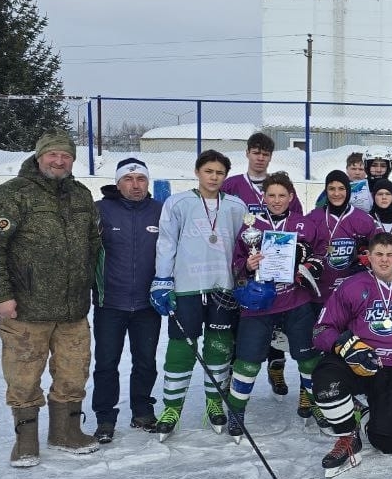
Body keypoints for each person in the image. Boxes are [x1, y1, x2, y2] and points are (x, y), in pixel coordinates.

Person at [0, 132, 101, 466]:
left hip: (73, 309)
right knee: (23, 377)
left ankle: (65, 432)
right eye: (53, 155)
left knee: (74, 373)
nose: (59, 162)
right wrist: (0, 296)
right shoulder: (14, 194)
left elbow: (93, 245)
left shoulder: (81, 195)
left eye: (66, 156)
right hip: (26, 309)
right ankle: (26, 441)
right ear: (39, 156)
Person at [310, 232, 392, 477]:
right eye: (379, 255)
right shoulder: (352, 286)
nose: (384, 260)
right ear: (368, 257)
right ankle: (348, 435)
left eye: (389, 255)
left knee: (388, 444)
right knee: (326, 384)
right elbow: (321, 330)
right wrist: (345, 345)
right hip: (358, 363)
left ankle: (368, 412)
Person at [150, 149, 248, 441]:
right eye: (209, 171)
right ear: (197, 172)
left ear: (225, 176)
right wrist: (162, 280)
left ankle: (214, 402)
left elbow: (245, 246)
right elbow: (166, 243)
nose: (214, 177)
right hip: (187, 287)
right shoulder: (177, 202)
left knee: (219, 348)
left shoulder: (236, 205)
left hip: (223, 288)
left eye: (219, 172)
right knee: (181, 348)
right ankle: (171, 408)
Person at [227, 172, 326, 443]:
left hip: (296, 301)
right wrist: (247, 266)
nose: (277, 200)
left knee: (307, 358)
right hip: (260, 304)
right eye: (271, 195)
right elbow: (236, 262)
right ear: (263, 197)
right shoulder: (251, 227)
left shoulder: (303, 225)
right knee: (247, 361)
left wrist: (310, 265)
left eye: (282, 195)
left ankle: (318, 405)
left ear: (291, 197)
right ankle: (236, 411)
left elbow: (321, 252)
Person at [221, 132, 302, 400]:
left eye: (265, 154)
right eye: (256, 152)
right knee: (244, 325)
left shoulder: (281, 186)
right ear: (247, 153)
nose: (260, 158)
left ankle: (276, 367)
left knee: (279, 318)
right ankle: (235, 373)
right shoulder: (232, 185)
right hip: (245, 264)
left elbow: (297, 224)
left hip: (277, 269)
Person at [91, 157, 164, 442]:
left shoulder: (161, 211)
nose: (135, 185)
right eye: (129, 180)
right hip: (110, 303)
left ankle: (142, 411)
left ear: (148, 183)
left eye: (141, 179)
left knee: (145, 360)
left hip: (148, 305)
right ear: (118, 183)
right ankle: (105, 418)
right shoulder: (100, 210)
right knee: (106, 362)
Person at [301, 169, 378, 420]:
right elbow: (300, 245)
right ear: (326, 190)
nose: (336, 193)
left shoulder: (362, 219)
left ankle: (345, 390)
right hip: (317, 292)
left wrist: (367, 256)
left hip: (348, 294)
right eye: (332, 188)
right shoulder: (313, 217)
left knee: (345, 342)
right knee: (317, 343)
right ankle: (309, 390)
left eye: (341, 189)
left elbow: (378, 244)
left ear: (348, 192)